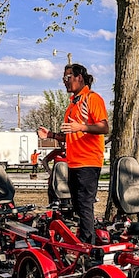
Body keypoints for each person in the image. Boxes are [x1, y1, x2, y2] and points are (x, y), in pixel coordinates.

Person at [37, 63, 109, 244]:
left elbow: (104, 127)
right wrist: (51, 135)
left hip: (89, 161)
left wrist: (81, 126)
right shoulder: (72, 104)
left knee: (85, 204)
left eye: (68, 78)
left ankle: (87, 246)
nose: (65, 82)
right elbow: (69, 135)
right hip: (73, 162)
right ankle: (82, 238)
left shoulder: (92, 98)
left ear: (79, 77)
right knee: (76, 205)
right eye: (63, 79)